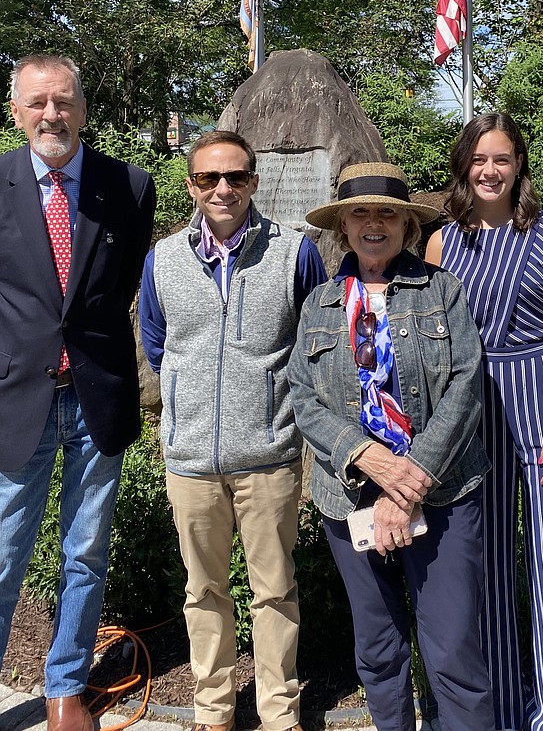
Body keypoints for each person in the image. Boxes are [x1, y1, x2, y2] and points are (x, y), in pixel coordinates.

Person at [287, 162, 496, 731]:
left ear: (406, 225)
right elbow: (304, 398)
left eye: (387, 212)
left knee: (453, 650)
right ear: (342, 227)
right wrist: (367, 456)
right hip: (349, 499)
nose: (373, 223)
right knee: (378, 649)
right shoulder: (320, 304)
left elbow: (465, 387)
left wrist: (409, 481)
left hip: (445, 491)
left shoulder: (443, 292)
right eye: (361, 212)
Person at [139, 130, 326, 731]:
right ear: (191, 185)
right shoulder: (163, 259)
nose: (223, 189)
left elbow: (312, 343)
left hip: (269, 455)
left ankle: (279, 714)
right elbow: (157, 342)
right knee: (204, 592)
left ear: (253, 181)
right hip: (191, 460)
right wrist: (190, 406)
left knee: (275, 592)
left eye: (236, 177)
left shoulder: (294, 252)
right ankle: (212, 712)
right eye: (208, 178)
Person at [425, 114, 543, 731]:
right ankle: (499, 709)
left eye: (501, 159)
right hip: (474, 413)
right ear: (463, 166)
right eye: (478, 159)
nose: (489, 171)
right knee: (486, 565)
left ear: (519, 165)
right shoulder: (444, 242)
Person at [0, 55, 156, 731]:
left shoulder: (130, 185)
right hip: (16, 400)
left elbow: (116, 289)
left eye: (63, 102)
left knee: (85, 551)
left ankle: (65, 685)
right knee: (4, 549)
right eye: (36, 103)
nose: (51, 115)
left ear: (84, 109)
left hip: (96, 396)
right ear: (15, 112)